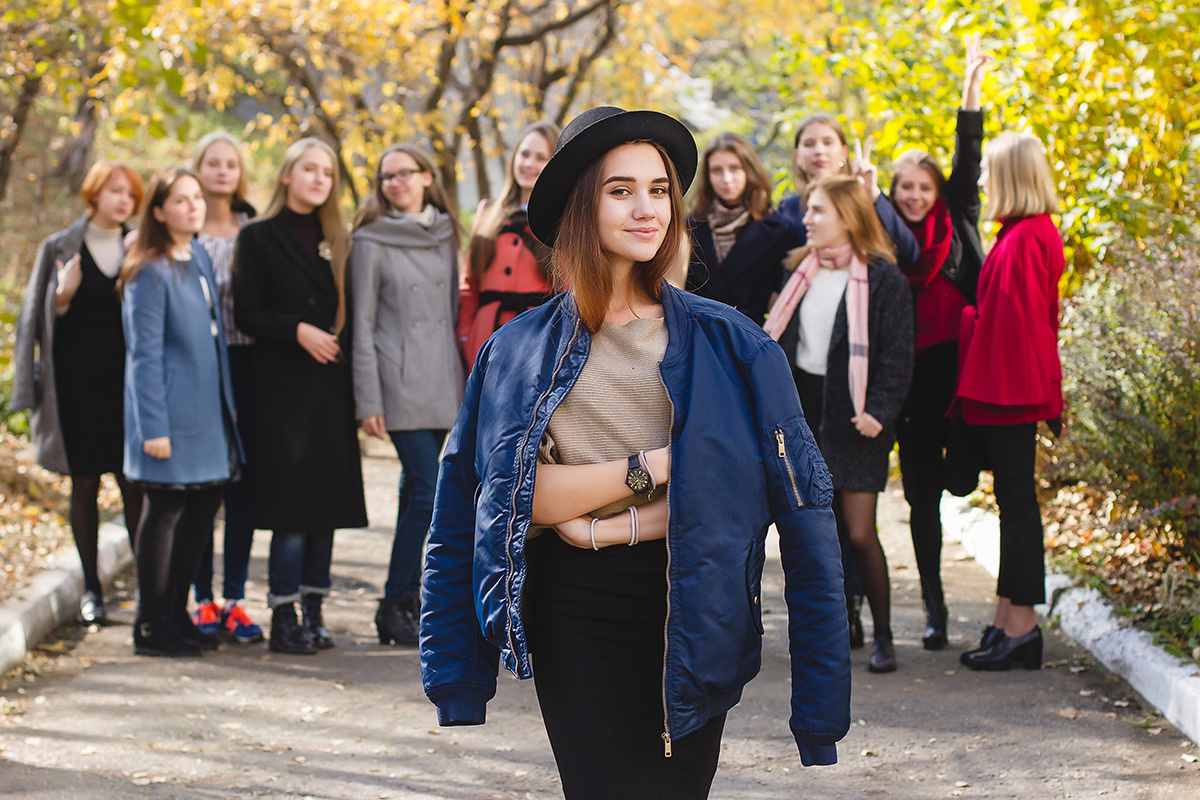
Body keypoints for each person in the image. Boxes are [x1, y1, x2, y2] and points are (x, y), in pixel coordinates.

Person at [420, 106, 850, 799]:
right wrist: (661, 468)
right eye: (620, 190)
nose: (647, 208)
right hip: (573, 615)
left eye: (659, 190)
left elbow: (795, 515)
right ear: (577, 211)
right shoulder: (517, 350)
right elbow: (487, 506)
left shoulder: (735, 346)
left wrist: (821, 709)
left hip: (695, 613)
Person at [775, 114, 919, 644]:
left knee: (860, 532)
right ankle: (843, 627)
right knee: (824, 533)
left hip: (858, 417)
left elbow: (897, 357)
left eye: (817, 210)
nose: (807, 219)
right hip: (808, 413)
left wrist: (880, 412)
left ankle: (883, 634)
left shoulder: (882, 279)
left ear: (846, 215)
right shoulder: (800, 272)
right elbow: (782, 350)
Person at [232, 137, 368, 655]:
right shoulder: (259, 237)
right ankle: (283, 615)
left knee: (326, 508)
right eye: (308, 169)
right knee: (290, 512)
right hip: (282, 391)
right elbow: (247, 313)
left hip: (330, 391)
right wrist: (298, 330)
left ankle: (314, 610)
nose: (318, 179)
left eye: (327, 172)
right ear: (287, 174)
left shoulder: (339, 238)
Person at [12, 160, 146, 625]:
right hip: (75, 385)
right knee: (85, 483)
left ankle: (148, 586)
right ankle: (92, 589)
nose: (123, 200)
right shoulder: (60, 247)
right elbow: (34, 319)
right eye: (115, 191)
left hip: (128, 386)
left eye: (130, 193)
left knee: (135, 484)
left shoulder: (140, 247)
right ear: (94, 194)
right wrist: (63, 296)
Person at [891, 33, 991, 651]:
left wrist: (971, 87)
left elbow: (970, 150)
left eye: (923, 187)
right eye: (905, 188)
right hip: (912, 379)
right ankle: (935, 607)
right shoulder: (883, 242)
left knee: (962, 484)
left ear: (937, 190)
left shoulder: (961, 217)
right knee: (923, 498)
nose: (914, 196)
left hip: (964, 370)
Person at [953, 131, 1065, 672]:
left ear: (1010, 177)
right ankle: (1007, 619)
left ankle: (1022, 628)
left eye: (988, 171)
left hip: (1011, 394)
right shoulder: (1024, 233)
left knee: (1019, 509)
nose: (981, 181)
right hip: (1012, 390)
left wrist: (969, 323)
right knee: (1013, 508)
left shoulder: (1024, 239)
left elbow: (1019, 329)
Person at [120, 168, 240, 656]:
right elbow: (143, 356)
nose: (193, 206)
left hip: (208, 416)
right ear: (158, 211)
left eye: (196, 198)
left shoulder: (200, 258)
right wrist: (153, 428)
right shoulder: (148, 270)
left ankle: (175, 611)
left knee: (203, 510)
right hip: (167, 418)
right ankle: (149, 623)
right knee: (165, 510)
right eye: (180, 200)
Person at [350, 144, 465, 646]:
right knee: (425, 488)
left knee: (413, 492)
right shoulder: (369, 239)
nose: (394, 183)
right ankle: (394, 599)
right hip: (396, 383)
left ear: (425, 176)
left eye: (403, 173)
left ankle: (408, 599)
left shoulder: (445, 233)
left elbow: (451, 313)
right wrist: (367, 398)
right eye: (385, 177)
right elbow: (362, 325)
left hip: (442, 379)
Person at [187, 131, 264, 644]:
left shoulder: (252, 227)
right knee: (203, 485)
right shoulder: (183, 229)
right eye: (211, 163)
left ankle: (234, 597)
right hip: (198, 370)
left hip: (250, 363)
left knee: (243, 487)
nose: (221, 172)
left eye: (229, 164)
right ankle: (202, 599)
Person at [459, 121, 560, 370]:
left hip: (536, 346)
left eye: (540, 157)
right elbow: (470, 285)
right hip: (483, 346)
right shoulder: (487, 211)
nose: (528, 164)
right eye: (524, 154)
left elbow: (569, 292)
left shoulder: (563, 218)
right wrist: (466, 335)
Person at [685, 132, 799, 324]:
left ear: (748, 170)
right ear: (708, 175)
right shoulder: (688, 228)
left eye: (734, 168)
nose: (727, 179)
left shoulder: (778, 230)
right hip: (700, 336)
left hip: (753, 339)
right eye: (717, 170)